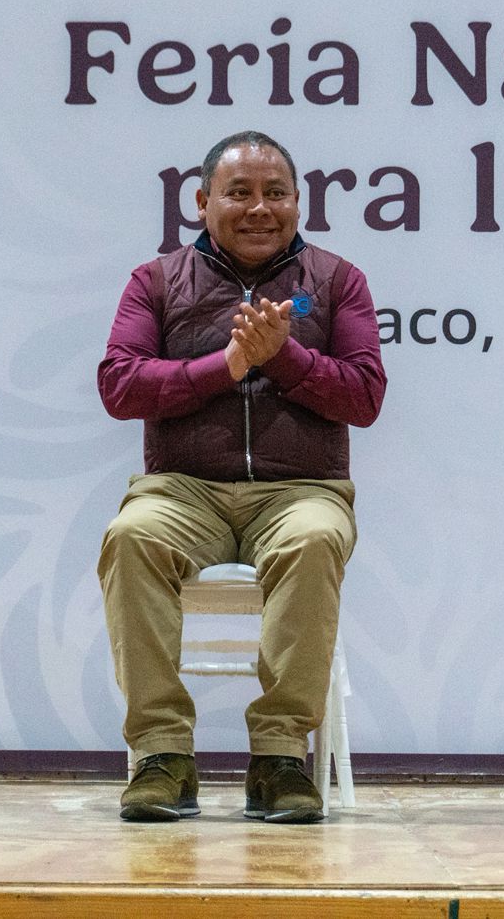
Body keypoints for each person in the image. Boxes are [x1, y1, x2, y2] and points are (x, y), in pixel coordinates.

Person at [96, 130, 386, 823]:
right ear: (202, 202)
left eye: (276, 193)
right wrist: (224, 366)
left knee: (314, 539)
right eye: (240, 193)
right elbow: (120, 385)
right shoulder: (156, 281)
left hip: (301, 491)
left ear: (298, 202)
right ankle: (163, 755)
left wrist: (282, 358)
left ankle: (279, 759)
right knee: (131, 536)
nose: (260, 208)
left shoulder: (337, 280)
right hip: (182, 489)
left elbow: (364, 396)